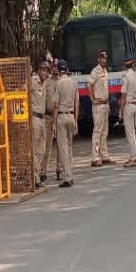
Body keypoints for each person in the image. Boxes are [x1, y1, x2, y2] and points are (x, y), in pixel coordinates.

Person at [53, 59, 79, 187]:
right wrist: (76, 121)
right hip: (71, 117)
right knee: (69, 147)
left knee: (63, 148)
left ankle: (67, 178)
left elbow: (56, 104)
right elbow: (77, 103)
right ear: (67, 69)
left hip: (62, 117)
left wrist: (54, 122)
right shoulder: (73, 83)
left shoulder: (58, 83)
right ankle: (71, 174)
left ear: (59, 70)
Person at [30, 60, 53, 187]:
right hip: (34, 119)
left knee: (43, 149)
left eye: (47, 70)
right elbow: (25, 95)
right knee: (35, 148)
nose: (45, 72)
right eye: (43, 70)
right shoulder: (33, 81)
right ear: (39, 70)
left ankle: (36, 172)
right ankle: (35, 177)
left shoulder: (45, 83)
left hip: (43, 119)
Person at [89, 49, 113, 166]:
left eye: (105, 57)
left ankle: (104, 156)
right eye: (102, 57)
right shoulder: (95, 71)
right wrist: (92, 99)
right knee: (97, 131)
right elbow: (89, 84)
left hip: (105, 104)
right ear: (98, 59)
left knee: (104, 132)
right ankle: (95, 157)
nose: (104, 59)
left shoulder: (105, 70)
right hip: (98, 106)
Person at [120, 56, 136, 168]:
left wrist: (120, 111)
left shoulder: (126, 77)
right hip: (135, 105)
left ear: (125, 65)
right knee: (132, 133)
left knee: (130, 134)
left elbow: (123, 95)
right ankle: (132, 156)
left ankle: (134, 158)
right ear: (132, 64)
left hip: (128, 107)